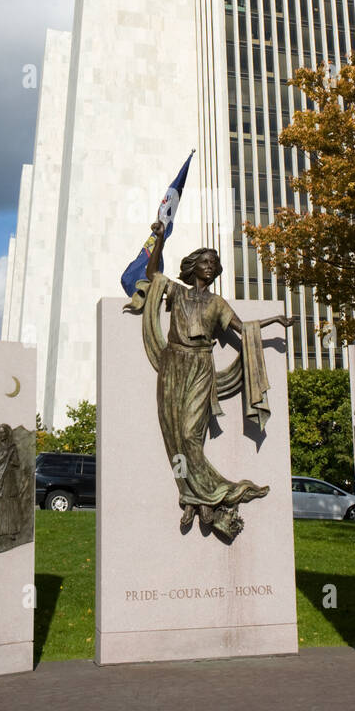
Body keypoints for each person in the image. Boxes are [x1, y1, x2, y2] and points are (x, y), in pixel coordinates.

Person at [137, 220, 292, 542]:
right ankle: (194, 497)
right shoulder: (177, 292)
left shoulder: (217, 303)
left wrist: (274, 320)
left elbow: (241, 327)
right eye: (206, 261)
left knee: (190, 434)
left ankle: (213, 494)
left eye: (215, 263)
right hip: (173, 364)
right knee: (173, 436)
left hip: (200, 366)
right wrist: (159, 239)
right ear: (194, 267)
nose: (212, 266)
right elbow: (153, 276)